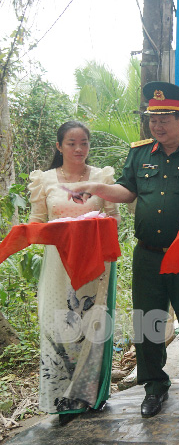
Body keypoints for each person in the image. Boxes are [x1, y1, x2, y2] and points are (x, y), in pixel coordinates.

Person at [73, 82, 179, 418]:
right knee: (148, 323)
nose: (157, 125)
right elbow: (127, 190)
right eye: (153, 119)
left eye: (165, 118)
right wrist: (93, 187)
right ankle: (154, 388)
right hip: (148, 254)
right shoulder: (139, 153)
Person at [27, 121, 121, 424]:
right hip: (58, 264)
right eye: (71, 143)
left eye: (84, 143)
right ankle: (62, 398)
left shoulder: (100, 178)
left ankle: (90, 396)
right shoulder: (45, 180)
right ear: (59, 146)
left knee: (91, 327)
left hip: (96, 265)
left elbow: (113, 220)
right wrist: (62, 231)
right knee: (59, 324)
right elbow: (36, 223)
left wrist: (92, 229)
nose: (79, 149)